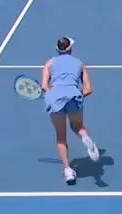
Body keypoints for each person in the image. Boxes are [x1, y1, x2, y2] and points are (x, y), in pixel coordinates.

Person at [42, 37, 100, 185]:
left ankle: (68, 171)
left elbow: (44, 86)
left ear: (57, 50)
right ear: (71, 49)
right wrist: (77, 95)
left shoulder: (49, 63)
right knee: (78, 127)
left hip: (55, 99)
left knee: (61, 137)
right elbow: (88, 89)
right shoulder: (79, 63)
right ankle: (85, 138)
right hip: (74, 97)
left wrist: (52, 94)